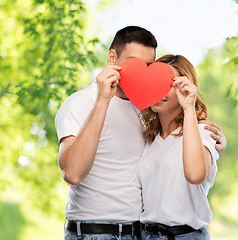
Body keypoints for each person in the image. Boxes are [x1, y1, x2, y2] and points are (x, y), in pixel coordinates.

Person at [55, 26, 226, 240]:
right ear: (112, 57)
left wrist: (212, 136)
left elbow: (191, 164)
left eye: (147, 66)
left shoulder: (146, 111)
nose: (140, 72)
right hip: (96, 232)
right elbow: (72, 173)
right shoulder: (79, 104)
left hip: (141, 233)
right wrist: (102, 101)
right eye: (132, 62)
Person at [138, 54, 219, 240]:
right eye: (155, 83)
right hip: (146, 235)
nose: (159, 91)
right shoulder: (149, 138)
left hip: (185, 236)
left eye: (169, 84)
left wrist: (189, 108)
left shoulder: (204, 131)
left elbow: (195, 175)